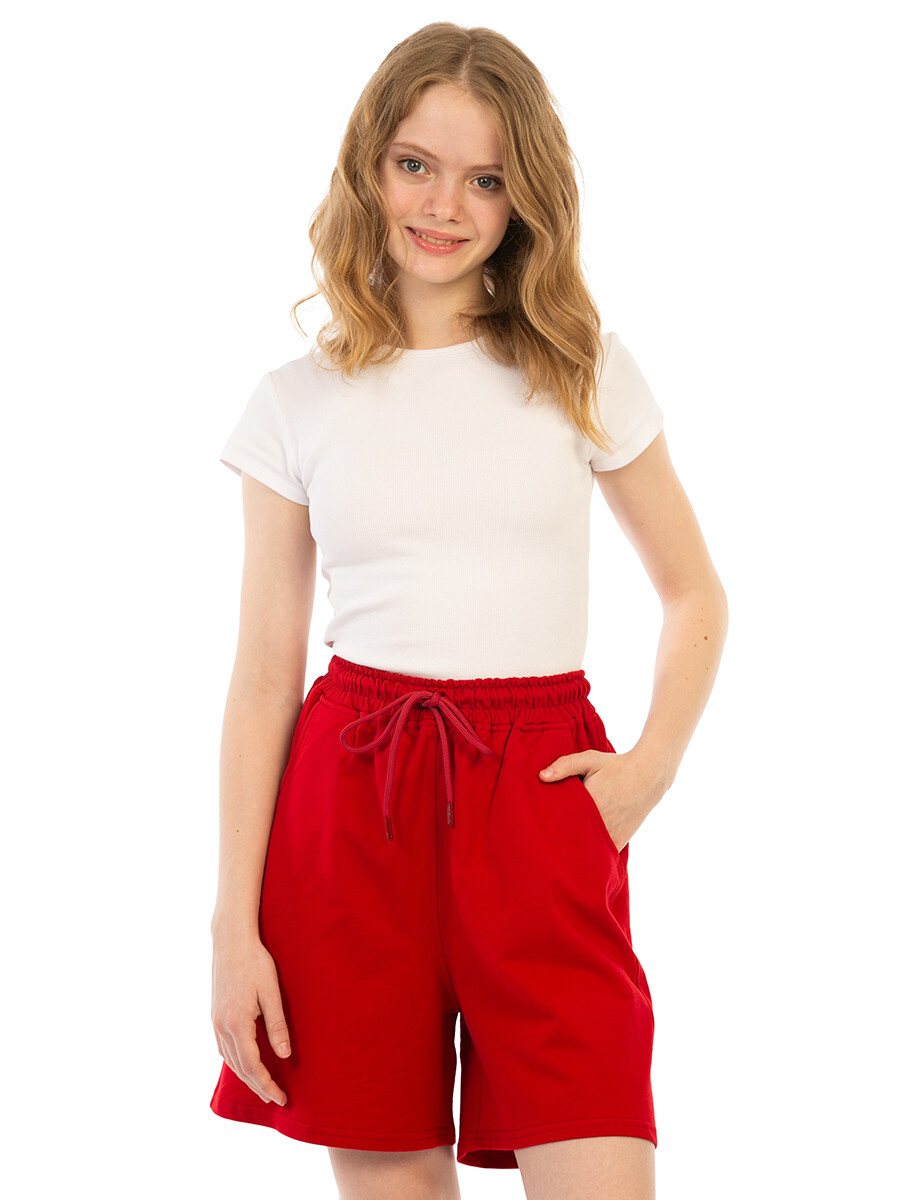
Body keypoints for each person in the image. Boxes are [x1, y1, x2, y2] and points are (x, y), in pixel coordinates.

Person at [209, 21, 728, 1200]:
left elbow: (695, 590)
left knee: (598, 1151)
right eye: (416, 166)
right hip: (352, 803)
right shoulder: (295, 402)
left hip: (539, 794)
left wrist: (647, 772)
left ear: (523, 196)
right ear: (369, 169)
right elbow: (263, 676)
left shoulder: (579, 367)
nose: (445, 206)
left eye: (486, 179)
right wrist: (233, 927)